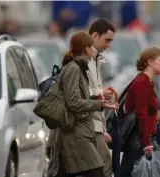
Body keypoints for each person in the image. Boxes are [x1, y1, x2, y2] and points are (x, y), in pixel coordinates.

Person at [47, 32, 118, 177]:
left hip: (80, 132)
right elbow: (73, 102)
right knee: (97, 171)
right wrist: (98, 104)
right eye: (91, 46)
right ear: (86, 49)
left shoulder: (78, 67)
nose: (93, 50)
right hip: (76, 133)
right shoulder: (74, 68)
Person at [120, 47, 160, 177]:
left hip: (143, 139)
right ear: (150, 62)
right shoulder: (142, 82)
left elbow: (144, 111)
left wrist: (153, 116)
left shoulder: (147, 81)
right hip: (140, 141)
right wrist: (147, 145)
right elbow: (141, 114)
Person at [85, 18, 116, 177]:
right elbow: (78, 94)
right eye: (107, 40)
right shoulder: (85, 60)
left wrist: (103, 129)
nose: (108, 45)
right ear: (95, 36)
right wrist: (101, 94)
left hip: (95, 125)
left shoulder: (96, 59)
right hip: (88, 125)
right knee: (104, 168)